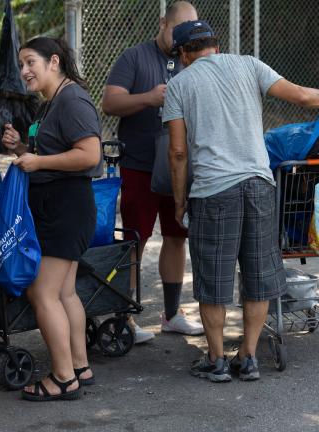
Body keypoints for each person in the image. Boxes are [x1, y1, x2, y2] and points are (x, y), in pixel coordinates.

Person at [163, 20, 319, 382]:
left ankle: (217, 360)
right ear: (216, 47)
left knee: (214, 280)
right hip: (258, 186)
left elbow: (177, 152)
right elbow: (300, 95)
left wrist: (179, 201)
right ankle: (249, 357)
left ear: (184, 54)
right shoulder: (250, 64)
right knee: (258, 275)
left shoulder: (179, 84)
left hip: (213, 191)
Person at [1, 37, 102, 401]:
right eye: (22, 64)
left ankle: (62, 378)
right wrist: (22, 149)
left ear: (54, 61)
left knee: (41, 291)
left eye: (31, 62)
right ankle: (79, 366)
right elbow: (48, 152)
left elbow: (89, 155)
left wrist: (38, 162)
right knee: (63, 291)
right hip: (58, 205)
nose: (24, 70)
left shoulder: (72, 100)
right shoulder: (50, 103)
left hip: (66, 208)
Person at [102, 1, 203, 343]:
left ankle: (172, 314)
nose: (184, 37)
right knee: (135, 240)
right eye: (179, 29)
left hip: (180, 166)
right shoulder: (134, 57)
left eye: (191, 30)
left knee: (177, 237)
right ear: (163, 23)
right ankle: (125, 319)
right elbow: (110, 102)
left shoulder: (194, 57)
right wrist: (148, 97)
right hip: (140, 164)